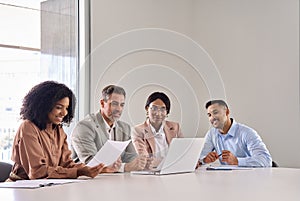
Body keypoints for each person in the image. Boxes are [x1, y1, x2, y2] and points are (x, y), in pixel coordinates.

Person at [9, 81, 104, 181]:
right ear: (44, 106)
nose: (64, 113)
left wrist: (89, 169)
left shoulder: (58, 129)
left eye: (66, 108)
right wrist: (78, 172)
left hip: (47, 185)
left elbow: (66, 164)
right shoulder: (28, 127)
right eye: (59, 107)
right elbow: (37, 172)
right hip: (21, 186)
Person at [71, 85, 147, 172]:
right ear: (102, 103)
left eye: (122, 105)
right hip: (85, 181)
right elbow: (91, 164)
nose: (119, 109)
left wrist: (142, 162)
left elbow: (131, 158)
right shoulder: (84, 127)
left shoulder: (125, 128)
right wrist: (124, 167)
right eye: (114, 104)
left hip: (113, 180)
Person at [199, 100, 272, 167]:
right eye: (209, 115)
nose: (212, 118)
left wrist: (237, 161)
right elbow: (200, 157)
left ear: (227, 112)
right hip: (226, 178)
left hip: (250, 177)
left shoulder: (247, 133)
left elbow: (266, 160)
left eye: (215, 113)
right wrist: (204, 160)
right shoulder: (212, 134)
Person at [131, 92, 184, 168]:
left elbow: (183, 152)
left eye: (163, 109)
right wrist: (173, 161)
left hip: (173, 170)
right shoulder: (138, 131)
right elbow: (146, 160)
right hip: (152, 174)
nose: (158, 113)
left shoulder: (175, 127)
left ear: (167, 111)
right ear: (147, 108)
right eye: (154, 108)